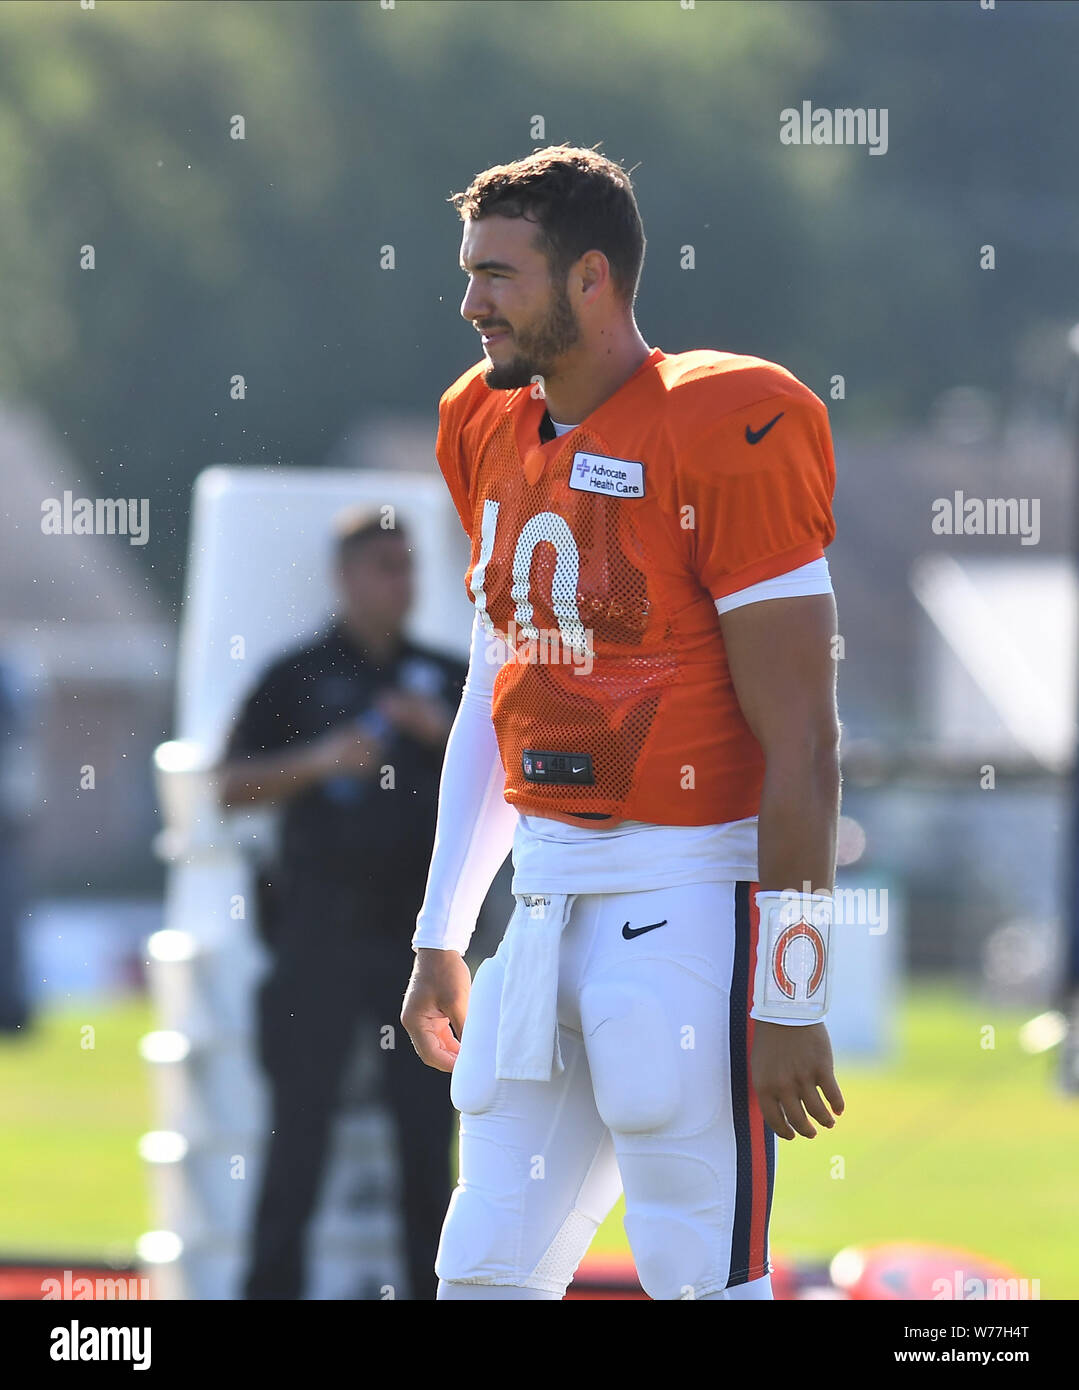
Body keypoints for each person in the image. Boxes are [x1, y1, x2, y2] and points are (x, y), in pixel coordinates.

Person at [401, 145, 845, 1301]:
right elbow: (499, 686)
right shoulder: (483, 425)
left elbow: (802, 738)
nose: (470, 303)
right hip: (540, 907)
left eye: (498, 274)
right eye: (467, 271)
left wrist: (790, 991)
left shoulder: (727, 419)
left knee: (701, 1275)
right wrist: (441, 924)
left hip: (687, 898)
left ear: (590, 278)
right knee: (482, 1275)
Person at [218, 507, 465, 1300]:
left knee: (430, 1144)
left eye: (409, 566)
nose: (401, 583)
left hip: (422, 940)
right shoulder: (295, 676)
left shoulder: (447, 674)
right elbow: (227, 788)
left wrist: (445, 734)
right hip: (318, 932)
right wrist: (321, 761)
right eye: (384, 566)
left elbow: (520, 776)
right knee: (299, 1140)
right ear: (346, 576)